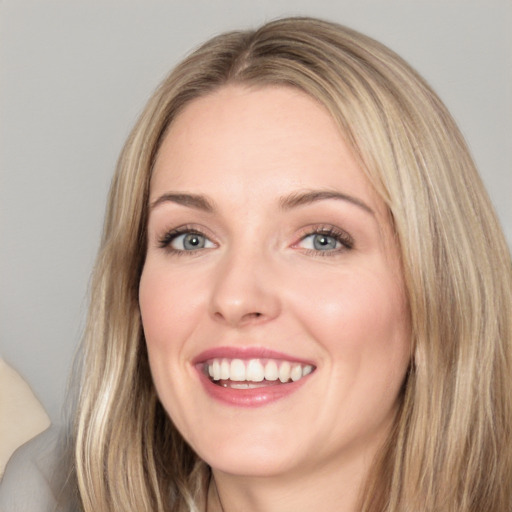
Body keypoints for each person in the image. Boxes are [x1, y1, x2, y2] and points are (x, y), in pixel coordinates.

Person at [1, 16, 511, 512]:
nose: (236, 297)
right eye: (191, 238)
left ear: (438, 286)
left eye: (322, 240)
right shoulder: (49, 490)